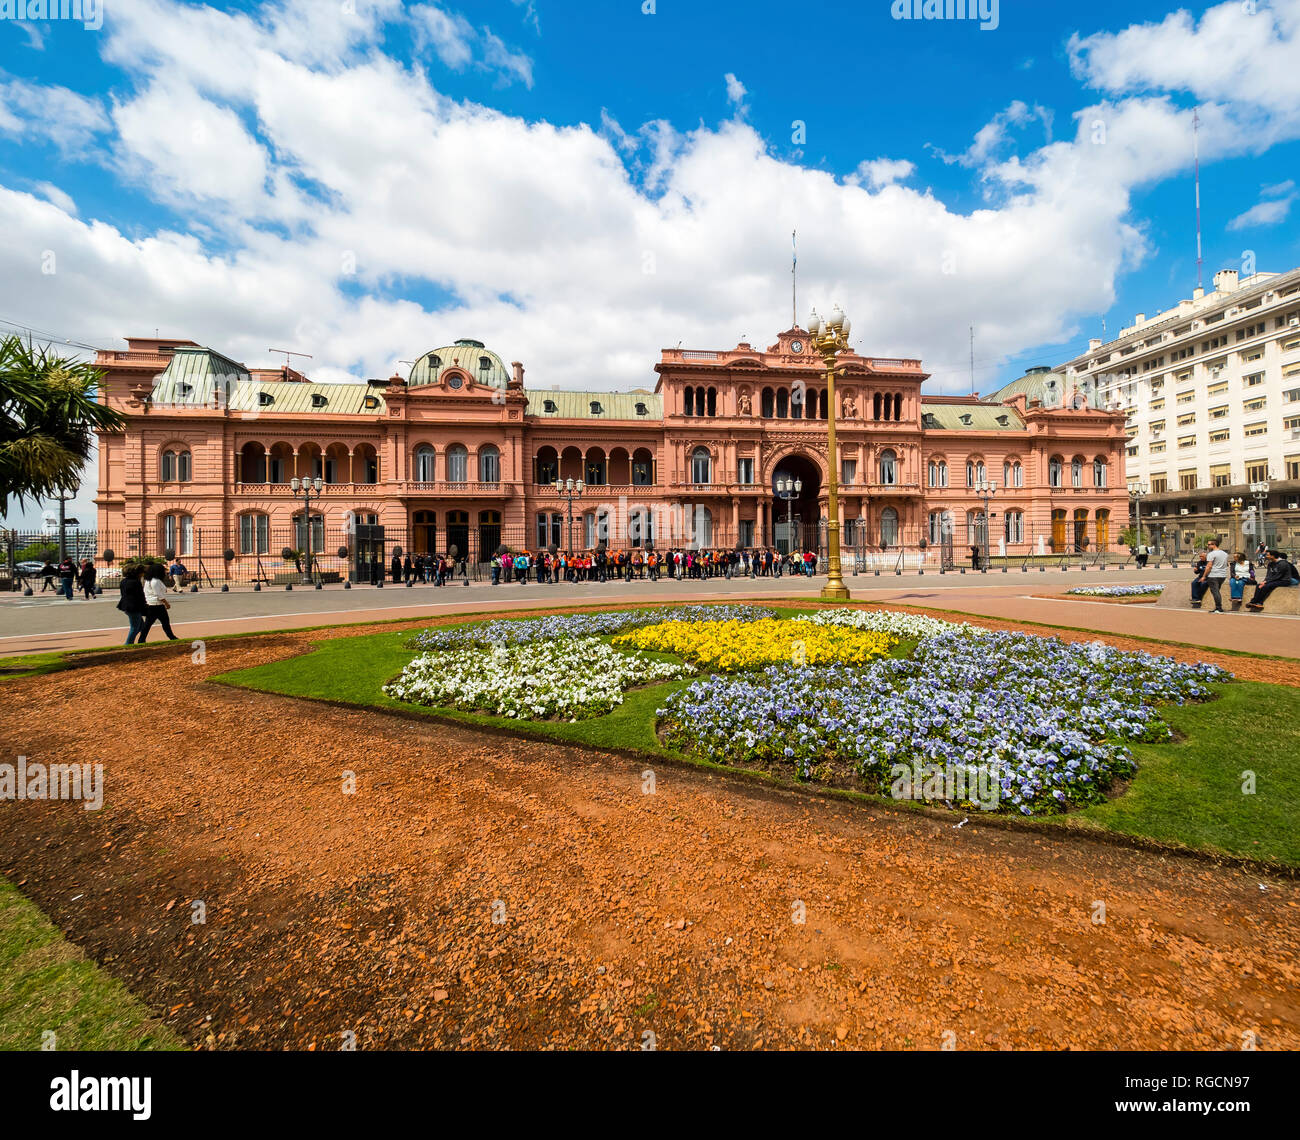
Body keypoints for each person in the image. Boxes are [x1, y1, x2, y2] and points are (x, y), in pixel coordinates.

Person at [140, 564, 178, 641]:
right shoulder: (155, 581)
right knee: (164, 623)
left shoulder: (148, 580)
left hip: (151, 604)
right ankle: (171, 637)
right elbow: (159, 594)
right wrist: (166, 603)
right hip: (157, 605)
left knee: (148, 624)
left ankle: (142, 639)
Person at [1194, 538, 1229, 613]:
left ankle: (1219, 608)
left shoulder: (1211, 554)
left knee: (1215, 592)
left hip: (1213, 575)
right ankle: (1218, 607)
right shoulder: (1225, 553)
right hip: (1222, 575)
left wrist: (1204, 576)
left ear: (1214, 545)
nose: (1208, 545)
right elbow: (1226, 564)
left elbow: (1209, 566)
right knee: (1217, 591)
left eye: (1209, 544)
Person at [117, 565, 148, 645]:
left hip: (126, 605)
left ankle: (136, 641)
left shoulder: (123, 581)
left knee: (141, 626)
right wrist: (144, 604)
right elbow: (140, 595)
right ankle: (128, 644)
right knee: (134, 628)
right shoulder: (136, 582)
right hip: (134, 606)